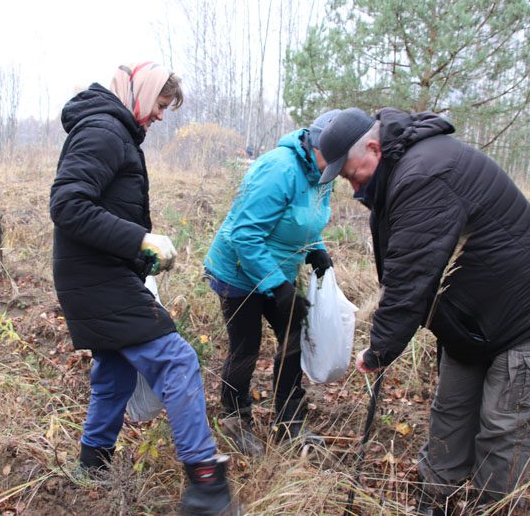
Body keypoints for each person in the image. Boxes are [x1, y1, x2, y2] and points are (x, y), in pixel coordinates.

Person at [317, 108, 530, 514]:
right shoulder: (398, 173)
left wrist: (380, 349)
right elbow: (402, 267)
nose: (351, 185)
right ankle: (434, 501)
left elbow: (411, 276)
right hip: (474, 319)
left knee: (503, 429)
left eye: (351, 173)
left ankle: (490, 506)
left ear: (374, 147)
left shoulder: (425, 173)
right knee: (451, 409)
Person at [49, 62, 235, 515]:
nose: (160, 115)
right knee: (177, 361)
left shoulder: (115, 131)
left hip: (98, 272)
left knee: (115, 371)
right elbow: (67, 204)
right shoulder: (105, 131)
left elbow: (103, 209)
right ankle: (205, 487)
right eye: (160, 104)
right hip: (95, 277)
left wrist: (140, 254)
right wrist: (138, 239)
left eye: (166, 108)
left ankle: (91, 467)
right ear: (141, 91)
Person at [203, 110, 340, 456]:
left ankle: (289, 422)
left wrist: (317, 249)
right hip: (238, 269)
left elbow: (306, 220)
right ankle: (235, 419)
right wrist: (279, 288)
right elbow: (244, 234)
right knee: (246, 346)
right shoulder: (279, 169)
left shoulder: (325, 172)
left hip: (280, 267)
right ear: (318, 145)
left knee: (294, 335)